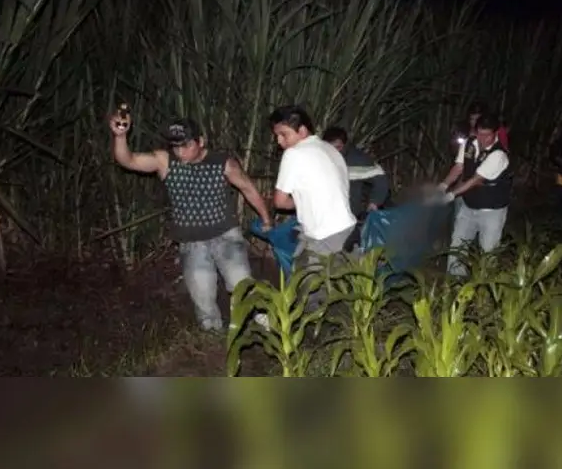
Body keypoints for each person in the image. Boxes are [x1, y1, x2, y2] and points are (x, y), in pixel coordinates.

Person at [109, 113, 270, 332]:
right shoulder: (164, 161)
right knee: (202, 296)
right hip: (191, 242)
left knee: (242, 283)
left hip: (225, 234)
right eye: (176, 146)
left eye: (186, 145)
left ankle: (267, 324)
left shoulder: (222, 162)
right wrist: (120, 136)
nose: (180, 151)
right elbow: (128, 160)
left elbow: (248, 188)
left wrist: (266, 218)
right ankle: (212, 340)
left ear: (200, 141)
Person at [269, 106, 357, 290]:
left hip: (324, 235)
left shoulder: (294, 153)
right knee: (339, 286)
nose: (279, 141)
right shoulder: (330, 148)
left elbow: (280, 201)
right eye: (276, 135)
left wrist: (298, 202)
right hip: (348, 228)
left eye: (284, 135)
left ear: (302, 130)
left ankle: (293, 317)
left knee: (309, 292)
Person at [437, 113, 513, 277]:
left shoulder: (498, 155)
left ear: (495, 133)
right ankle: (455, 281)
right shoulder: (469, 143)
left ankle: (485, 288)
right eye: (480, 133)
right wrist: (443, 185)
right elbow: (459, 168)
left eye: (488, 135)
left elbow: (476, 180)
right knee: (457, 246)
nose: (483, 138)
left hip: (491, 211)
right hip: (468, 206)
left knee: (488, 252)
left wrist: (451, 195)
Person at [320, 126, 390, 250]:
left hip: (350, 216)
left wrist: (374, 203)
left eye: (338, 147)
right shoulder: (317, 158)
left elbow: (381, 179)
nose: (334, 152)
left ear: (345, 145)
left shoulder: (357, 160)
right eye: (330, 148)